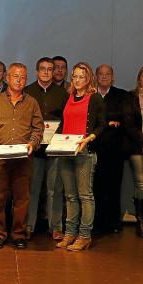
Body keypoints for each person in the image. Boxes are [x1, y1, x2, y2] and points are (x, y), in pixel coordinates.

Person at [0, 63, 44, 249]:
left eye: (23, 77)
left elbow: (38, 128)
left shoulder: (32, 102)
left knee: (22, 198)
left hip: (23, 159)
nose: (19, 80)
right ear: (7, 78)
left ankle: (18, 234)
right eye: (15, 76)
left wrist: (33, 143)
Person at [55, 62, 106, 251]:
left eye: (81, 77)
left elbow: (102, 125)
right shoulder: (68, 97)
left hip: (85, 152)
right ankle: (70, 233)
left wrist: (88, 138)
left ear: (89, 79)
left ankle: (84, 236)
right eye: (74, 76)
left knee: (85, 196)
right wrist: (56, 142)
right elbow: (63, 124)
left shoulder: (95, 99)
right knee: (70, 196)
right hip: (66, 151)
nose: (77, 80)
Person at [25, 57, 68, 240]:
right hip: (33, 149)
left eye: (50, 69)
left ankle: (55, 227)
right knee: (31, 189)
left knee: (55, 189)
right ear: (36, 71)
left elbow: (66, 121)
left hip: (55, 149)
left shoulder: (63, 94)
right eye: (42, 69)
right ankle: (29, 226)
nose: (46, 72)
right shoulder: (27, 92)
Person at [93, 64, 128, 233]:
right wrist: (108, 123)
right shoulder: (90, 96)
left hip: (115, 150)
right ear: (96, 76)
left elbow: (124, 121)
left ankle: (114, 222)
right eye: (101, 74)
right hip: (94, 149)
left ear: (112, 77)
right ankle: (97, 222)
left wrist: (105, 123)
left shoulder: (122, 95)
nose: (104, 77)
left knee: (114, 186)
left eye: (108, 74)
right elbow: (92, 121)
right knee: (95, 187)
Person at [123, 67, 143, 238]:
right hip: (137, 146)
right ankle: (140, 220)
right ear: (139, 78)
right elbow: (128, 123)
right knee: (141, 182)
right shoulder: (131, 97)